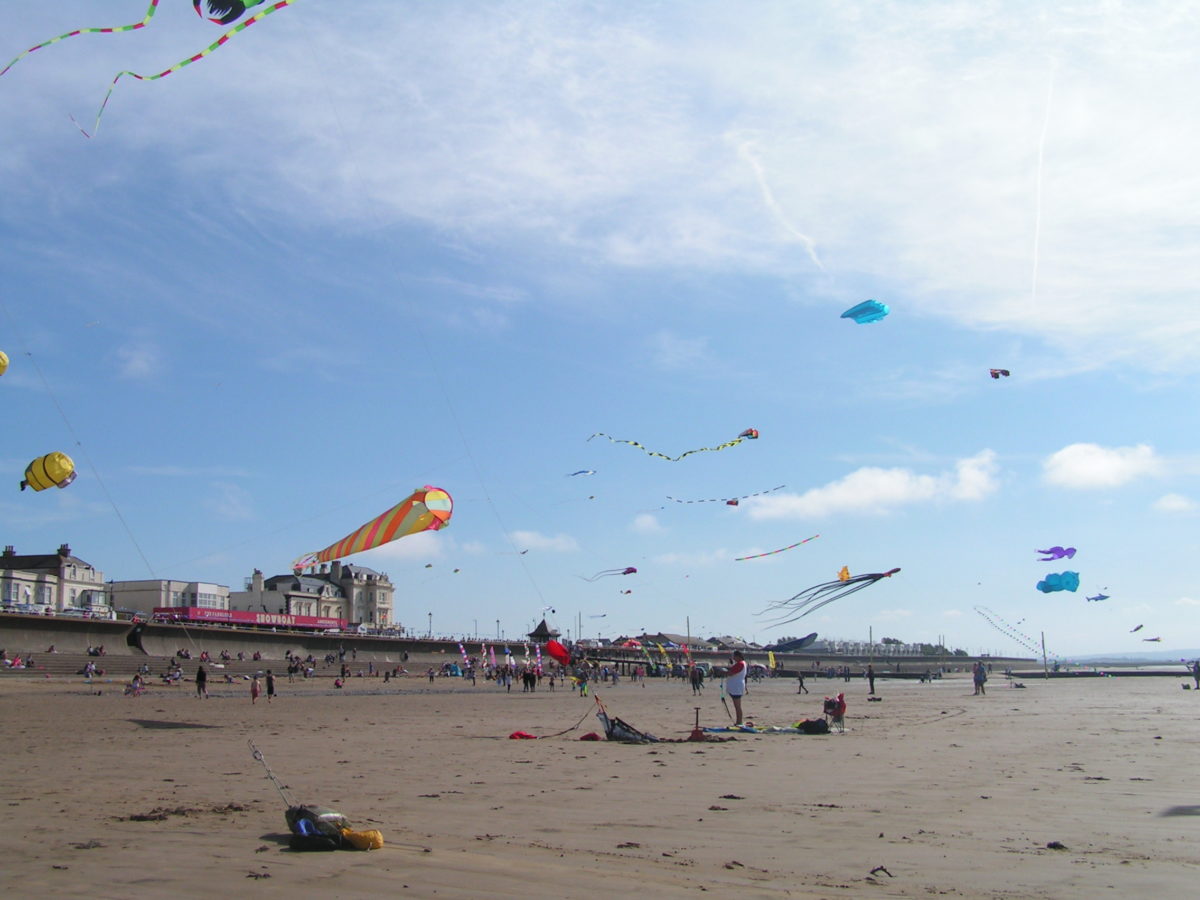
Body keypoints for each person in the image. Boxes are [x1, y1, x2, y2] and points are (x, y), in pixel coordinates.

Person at [725, 650, 747, 725]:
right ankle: (739, 721)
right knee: (737, 706)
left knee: (737, 706)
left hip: (736, 687)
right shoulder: (740, 663)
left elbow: (731, 673)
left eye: (734, 657)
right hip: (736, 686)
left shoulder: (740, 664)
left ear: (738, 656)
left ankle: (739, 722)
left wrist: (724, 672)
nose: (734, 658)